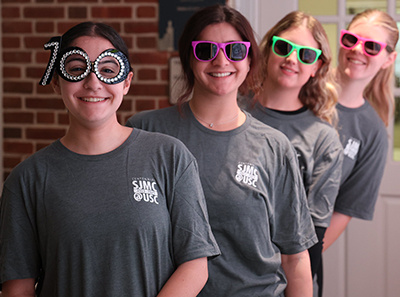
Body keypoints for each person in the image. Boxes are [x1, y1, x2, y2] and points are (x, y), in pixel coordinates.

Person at [0, 22, 220, 297]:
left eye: (108, 70)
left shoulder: (170, 157)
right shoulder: (26, 179)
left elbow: (195, 265)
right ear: (57, 82)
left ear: (126, 82)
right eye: (77, 69)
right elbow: (16, 289)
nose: (93, 83)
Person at [127, 5, 317, 297]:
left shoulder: (274, 147)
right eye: (206, 50)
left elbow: (295, 257)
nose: (220, 60)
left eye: (235, 50)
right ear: (189, 58)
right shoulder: (145, 130)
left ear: (250, 58)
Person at [242, 11, 343, 285]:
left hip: (285, 280)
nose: (291, 59)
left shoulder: (324, 139)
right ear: (267, 51)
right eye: (284, 47)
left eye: (306, 55)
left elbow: (313, 235)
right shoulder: (232, 111)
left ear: (317, 67)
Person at [319, 9, 398, 297]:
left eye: (372, 46)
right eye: (351, 39)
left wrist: (295, 259)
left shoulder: (373, 131)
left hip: (297, 259)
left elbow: (343, 211)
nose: (357, 50)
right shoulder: (302, 89)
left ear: (389, 58)